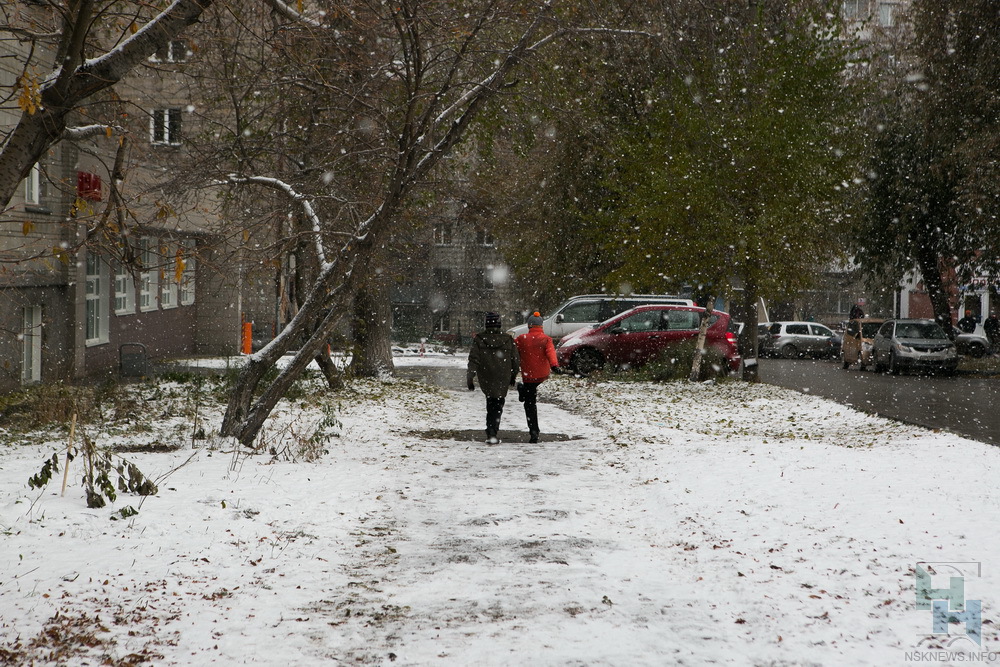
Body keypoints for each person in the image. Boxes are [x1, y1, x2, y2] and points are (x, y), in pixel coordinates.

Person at [467, 312, 519, 444]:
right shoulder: (508, 339)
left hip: (486, 375)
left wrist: (470, 376)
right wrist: (513, 375)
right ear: (499, 324)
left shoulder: (479, 339)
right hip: (503, 376)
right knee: (498, 403)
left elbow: (474, 359)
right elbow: (515, 360)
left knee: (490, 402)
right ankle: (493, 430)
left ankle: (490, 429)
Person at [514, 312, 559, 444]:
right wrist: (554, 365)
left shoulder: (522, 339)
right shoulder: (546, 339)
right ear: (541, 326)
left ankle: (534, 431)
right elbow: (551, 352)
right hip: (541, 375)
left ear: (529, 326)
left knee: (530, 404)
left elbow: (512, 348)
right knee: (530, 399)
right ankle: (534, 432)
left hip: (528, 376)